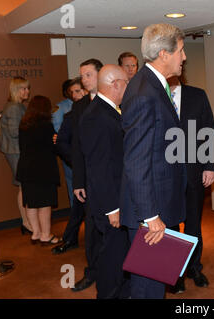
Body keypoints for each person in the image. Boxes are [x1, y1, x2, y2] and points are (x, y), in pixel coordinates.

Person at [120, 23, 187, 299]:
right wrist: (151, 217)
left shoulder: (151, 86)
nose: (184, 57)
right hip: (150, 212)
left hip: (157, 205)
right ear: (164, 53)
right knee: (148, 288)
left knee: (156, 282)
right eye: (181, 51)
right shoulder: (144, 94)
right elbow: (136, 162)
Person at [79, 65, 130, 299]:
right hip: (111, 204)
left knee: (120, 254)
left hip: (118, 199)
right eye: (127, 82)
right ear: (115, 84)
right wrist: (113, 208)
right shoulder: (96, 115)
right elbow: (99, 168)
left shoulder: (108, 110)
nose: (129, 87)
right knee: (112, 258)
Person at [53, 59, 104, 294]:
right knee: (93, 231)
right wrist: (81, 175)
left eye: (88, 75)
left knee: (119, 232)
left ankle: (121, 275)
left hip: (119, 181)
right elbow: (68, 145)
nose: (84, 79)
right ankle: (93, 272)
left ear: (100, 75)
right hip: (91, 183)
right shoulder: (79, 107)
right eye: (81, 75)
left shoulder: (118, 100)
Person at [167, 76, 214, 294]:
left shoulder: (197, 95)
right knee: (169, 226)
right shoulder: (154, 95)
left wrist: (210, 165)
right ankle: (174, 272)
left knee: (193, 223)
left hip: (194, 171)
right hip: (164, 175)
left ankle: (193, 267)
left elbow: (209, 132)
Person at [16, 95, 62, 245]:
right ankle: (46, 235)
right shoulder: (46, 126)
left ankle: (35, 233)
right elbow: (53, 146)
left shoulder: (23, 125)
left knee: (31, 203)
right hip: (43, 170)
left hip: (26, 170)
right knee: (44, 204)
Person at [0, 77, 33, 235]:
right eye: (23, 89)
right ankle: (26, 222)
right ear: (15, 90)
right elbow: (14, 133)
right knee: (23, 186)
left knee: (24, 186)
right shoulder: (14, 107)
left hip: (17, 150)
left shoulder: (17, 106)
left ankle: (27, 222)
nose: (27, 91)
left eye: (27, 88)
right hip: (16, 151)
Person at [52, 78, 86, 207]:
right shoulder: (61, 107)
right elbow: (58, 133)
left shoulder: (90, 105)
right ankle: (76, 211)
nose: (75, 95)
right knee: (74, 184)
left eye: (78, 91)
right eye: (72, 92)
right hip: (71, 153)